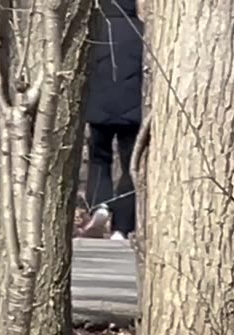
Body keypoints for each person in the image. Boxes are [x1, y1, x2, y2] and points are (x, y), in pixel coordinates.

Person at [81, 0, 144, 241]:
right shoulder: (143, 33)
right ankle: (122, 227)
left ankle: (100, 206)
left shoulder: (93, 31)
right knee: (131, 165)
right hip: (133, 110)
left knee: (99, 159)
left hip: (99, 107)